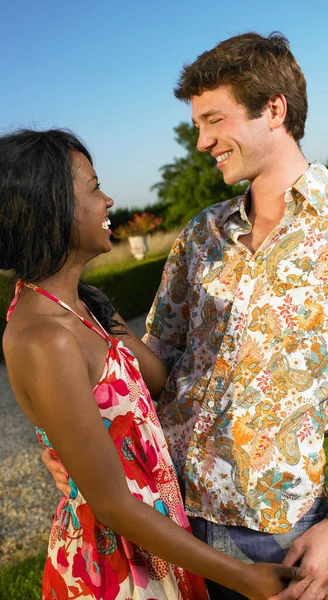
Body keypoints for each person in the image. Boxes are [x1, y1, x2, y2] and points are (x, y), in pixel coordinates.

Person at [45, 32, 328, 600]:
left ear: (274, 109)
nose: (201, 141)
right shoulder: (200, 233)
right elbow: (153, 367)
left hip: (279, 532)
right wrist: (83, 442)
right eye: (198, 124)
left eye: (213, 120)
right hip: (170, 523)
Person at [0, 128, 303, 600]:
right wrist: (243, 576)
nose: (109, 200)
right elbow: (113, 504)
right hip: (118, 562)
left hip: (159, 536)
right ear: (51, 206)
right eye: (94, 186)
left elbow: (161, 383)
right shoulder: (44, 339)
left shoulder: (85, 306)